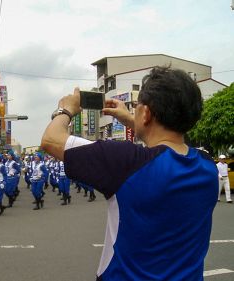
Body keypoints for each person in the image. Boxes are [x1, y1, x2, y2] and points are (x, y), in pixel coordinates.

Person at [41, 66, 218, 280]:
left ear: (146, 113)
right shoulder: (208, 168)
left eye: (137, 107)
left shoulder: (125, 162)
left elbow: (51, 140)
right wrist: (134, 120)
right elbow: (170, 144)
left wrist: (65, 109)